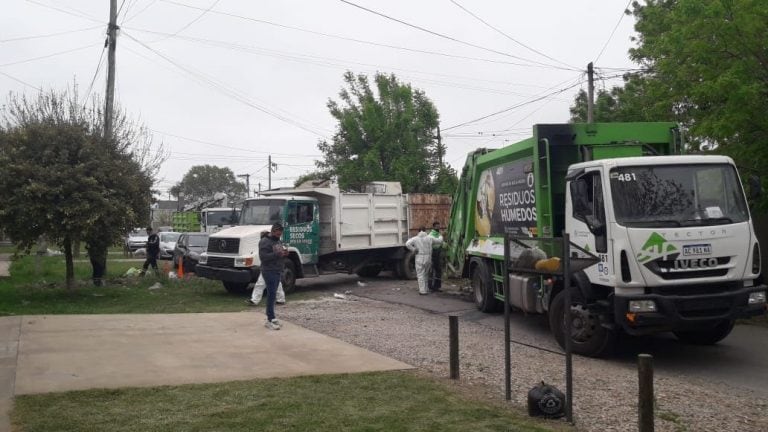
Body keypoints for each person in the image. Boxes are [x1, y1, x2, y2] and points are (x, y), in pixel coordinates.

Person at [259, 223, 288, 330]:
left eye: (281, 234)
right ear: (273, 231)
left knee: (273, 294)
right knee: (271, 295)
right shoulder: (265, 242)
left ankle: (272, 317)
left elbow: (279, 252)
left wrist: (284, 253)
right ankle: (269, 319)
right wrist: (278, 254)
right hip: (269, 270)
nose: (279, 235)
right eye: (278, 233)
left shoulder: (277, 240)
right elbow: (263, 257)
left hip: (277, 269)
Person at [247, 231, 286, 306]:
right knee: (275, 284)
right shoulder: (274, 242)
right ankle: (280, 299)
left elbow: (276, 255)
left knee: (261, 283)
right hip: (270, 267)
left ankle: (255, 300)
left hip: (271, 267)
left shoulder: (274, 243)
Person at [405, 226, 443, 295]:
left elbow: (407, 244)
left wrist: (413, 249)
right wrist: (440, 236)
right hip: (428, 258)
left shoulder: (415, 238)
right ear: (425, 231)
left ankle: (422, 291)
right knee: (426, 274)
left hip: (419, 257)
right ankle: (426, 289)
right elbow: (439, 241)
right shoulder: (430, 238)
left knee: (420, 275)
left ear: (418, 231)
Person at [428, 221, 444, 292]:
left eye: (439, 226)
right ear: (434, 227)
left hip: (438, 253)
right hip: (433, 253)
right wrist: (441, 237)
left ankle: (437, 287)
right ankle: (431, 287)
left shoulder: (438, 234)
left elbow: (441, 242)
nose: (438, 227)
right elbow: (439, 241)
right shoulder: (431, 235)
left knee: (438, 270)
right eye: (437, 226)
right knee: (432, 271)